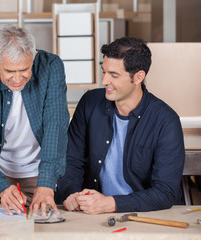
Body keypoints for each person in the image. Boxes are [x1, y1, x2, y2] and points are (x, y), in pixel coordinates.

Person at [56, 37, 185, 214]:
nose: (104, 81)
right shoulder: (90, 103)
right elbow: (70, 159)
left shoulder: (166, 121)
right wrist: (70, 193)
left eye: (114, 75)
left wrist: (110, 204)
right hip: (90, 214)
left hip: (144, 215)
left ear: (139, 77)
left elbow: (165, 192)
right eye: (104, 71)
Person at [0, 25, 69, 215]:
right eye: (9, 71)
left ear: (34, 56)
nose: (17, 79)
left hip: (41, 173)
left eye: (24, 69)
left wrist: (46, 183)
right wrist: (0, 187)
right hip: (0, 176)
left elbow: (56, 126)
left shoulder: (51, 66)